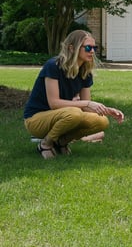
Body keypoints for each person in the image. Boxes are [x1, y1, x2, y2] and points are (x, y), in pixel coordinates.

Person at [24, 30, 125, 159]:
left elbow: (85, 108)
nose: (92, 52)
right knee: (74, 113)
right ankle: (45, 144)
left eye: (95, 48)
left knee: (101, 121)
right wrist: (87, 103)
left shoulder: (85, 71)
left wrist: (106, 110)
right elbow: (54, 103)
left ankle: (61, 142)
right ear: (72, 48)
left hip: (64, 116)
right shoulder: (53, 66)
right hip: (36, 120)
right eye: (88, 48)